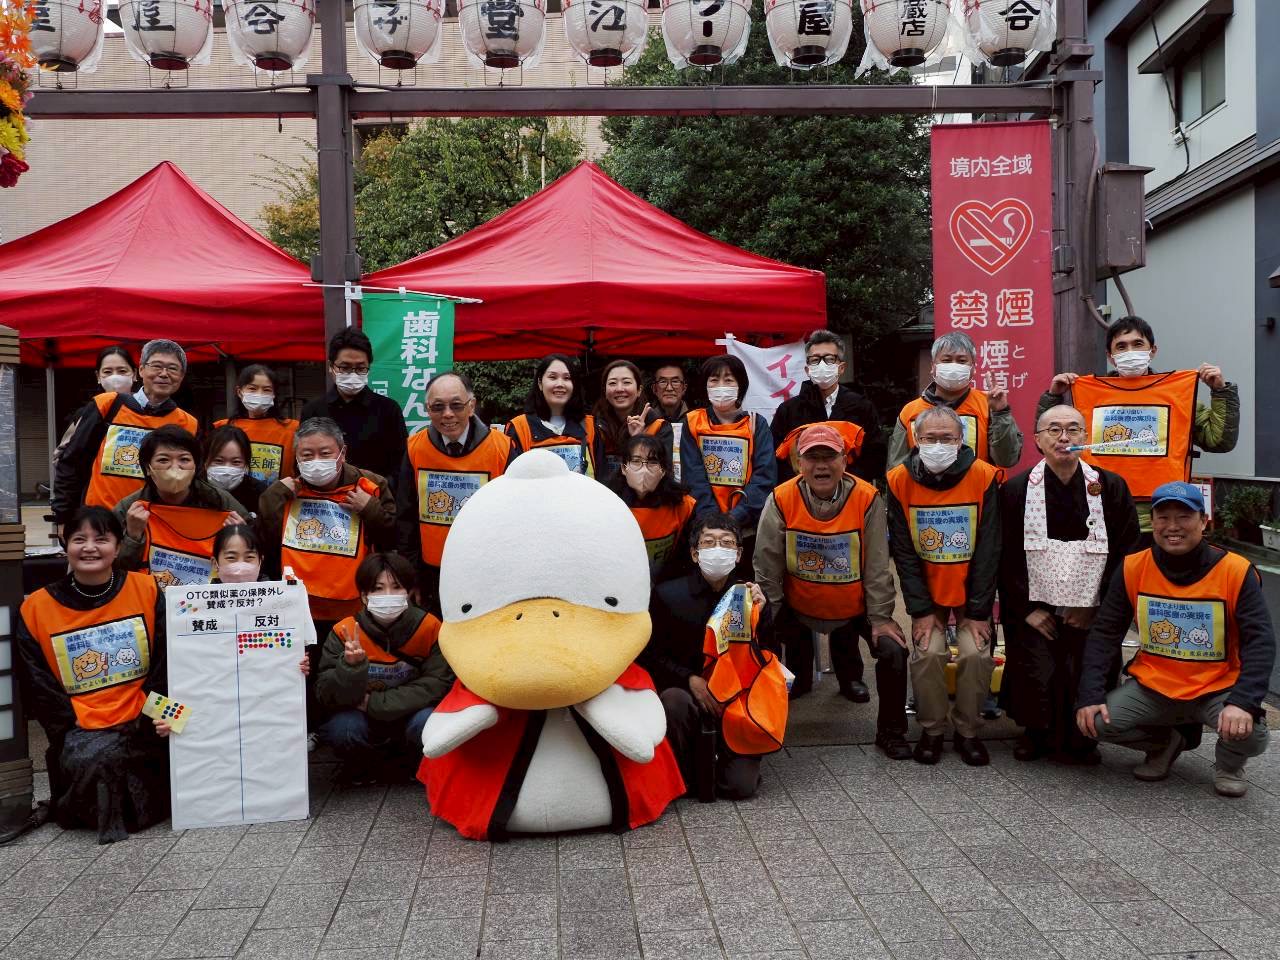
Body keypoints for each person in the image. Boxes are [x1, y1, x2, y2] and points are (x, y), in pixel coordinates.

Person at [1076, 482, 1275, 798]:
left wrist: (1243, 702)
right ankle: (1165, 743)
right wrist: (1090, 695)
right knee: (1093, 722)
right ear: (1153, 522)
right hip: (1154, 687)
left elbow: (1260, 642)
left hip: (1217, 687)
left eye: (1183, 517)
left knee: (1250, 734)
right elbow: (1105, 634)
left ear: (1203, 521)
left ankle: (1229, 764)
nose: (1172, 526)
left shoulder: (1236, 571)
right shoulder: (1133, 566)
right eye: (1163, 517)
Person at [754, 425, 912, 759]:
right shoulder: (780, 498)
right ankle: (759, 729)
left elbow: (877, 566)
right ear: (799, 463)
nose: (821, 465)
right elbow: (767, 564)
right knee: (757, 643)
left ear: (844, 460)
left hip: (854, 607)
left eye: (829, 456)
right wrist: (767, 619)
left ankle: (892, 732)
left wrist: (881, 618)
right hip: (797, 603)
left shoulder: (867, 497)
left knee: (893, 649)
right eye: (812, 457)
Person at [17, 506, 169, 843]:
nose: (89, 548)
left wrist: (151, 716)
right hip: (78, 726)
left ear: (118, 546)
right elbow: (38, 685)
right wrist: (69, 729)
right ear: (64, 544)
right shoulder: (37, 607)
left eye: (101, 539)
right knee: (95, 756)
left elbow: (165, 663)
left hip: (143, 717)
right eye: (79, 539)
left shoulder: (146, 589)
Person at [1000, 405, 1141, 764]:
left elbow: (1126, 553)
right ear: (1037, 440)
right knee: (1036, 663)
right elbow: (1004, 555)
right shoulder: (1016, 490)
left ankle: (1083, 735)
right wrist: (1027, 609)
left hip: (1092, 603)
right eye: (1054, 430)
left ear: (1085, 437)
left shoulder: (1110, 486)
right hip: (1035, 603)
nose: (1064, 437)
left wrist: (1096, 605)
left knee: (1084, 663)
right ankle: (1035, 732)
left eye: (1073, 429)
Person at [1037, 315, 1239, 535]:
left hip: (1159, 518)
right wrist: (1053, 397)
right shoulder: (1089, 396)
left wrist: (1220, 392)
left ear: (1152, 351)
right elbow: (1051, 446)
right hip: (1099, 513)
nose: (1130, 352)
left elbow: (1219, 442)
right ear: (1110, 356)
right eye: (1121, 346)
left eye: (1138, 344)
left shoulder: (1177, 396)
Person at [886, 406, 1001, 766]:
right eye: (930, 438)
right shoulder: (898, 480)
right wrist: (920, 611)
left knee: (975, 653)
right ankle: (932, 729)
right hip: (928, 593)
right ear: (916, 440)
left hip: (972, 593)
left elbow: (989, 548)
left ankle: (968, 730)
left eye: (947, 438)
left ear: (961, 439)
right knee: (928, 652)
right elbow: (903, 553)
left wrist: (979, 612)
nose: (938, 445)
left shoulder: (984, 476)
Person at [641, 513, 774, 799]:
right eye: (709, 542)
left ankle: (722, 761)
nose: (718, 549)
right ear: (694, 553)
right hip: (688, 694)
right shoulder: (668, 595)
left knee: (740, 787)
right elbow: (650, 654)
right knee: (673, 701)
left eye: (726, 543)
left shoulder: (748, 596)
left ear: (738, 554)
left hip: (736, 699)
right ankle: (685, 771)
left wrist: (762, 614)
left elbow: (766, 653)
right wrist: (689, 679)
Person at [316, 553, 454, 784]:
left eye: (396, 587)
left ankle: (414, 764)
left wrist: (376, 703)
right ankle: (364, 767)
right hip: (363, 718)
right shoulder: (344, 632)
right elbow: (325, 693)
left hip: (409, 713)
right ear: (364, 596)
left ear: (408, 592)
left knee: (428, 722)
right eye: (378, 589)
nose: (388, 595)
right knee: (344, 728)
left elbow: (438, 683)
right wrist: (349, 668)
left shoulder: (429, 627)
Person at [257, 417, 397, 634]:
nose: (316, 461)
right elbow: (266, 540)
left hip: (353, 605)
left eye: (325, 453)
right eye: (307, 455)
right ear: (296, 456)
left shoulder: (370, 485)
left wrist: (370, 508)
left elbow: (392, 537)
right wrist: (273, 497)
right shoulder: (287, 490)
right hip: (299, 605)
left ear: (343, 452)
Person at [396, 371, 514, 616]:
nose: (447, 414)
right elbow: (406, 516)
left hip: (487, 571)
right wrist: (411, 575)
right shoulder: (415, 448)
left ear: (471, 406)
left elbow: (515, 515)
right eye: (438, 407)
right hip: (432, 574)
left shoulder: (502, 448)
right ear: (427, 410)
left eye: (456, 405)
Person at [51, 339, 198, 529]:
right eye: (156, 366)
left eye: (172, 368)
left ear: (181, 376)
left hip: (155, 525)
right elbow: (72, 462)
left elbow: (192, 481)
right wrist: (63, 517)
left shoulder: (187, 423)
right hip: (99, 522)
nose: (164, 374)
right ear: (141, 370)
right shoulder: (106, 405)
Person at [113, 425, 248, 587]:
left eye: (184, 459)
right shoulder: (130, 509)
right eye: (163, 460)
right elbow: (114, 571)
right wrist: (133, 537)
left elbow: (254, 560)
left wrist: (241, 537)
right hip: (149, 596)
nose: (175, 468)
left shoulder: (221, 503)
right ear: (148, 467)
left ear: (196, 466)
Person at [887, 332, 1023, 472]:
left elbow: (1007, 459)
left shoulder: (988, 405)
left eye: (962, 361)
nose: (954, 366)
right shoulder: (910, 412)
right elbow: (897, 469)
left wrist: (1000, 413)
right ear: (933, 367)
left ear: (973, 368)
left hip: (981, 485)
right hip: (922, 487)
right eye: (946, 360)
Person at [299, 328, 409, 491]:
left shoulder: (388, 410)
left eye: (360, 368)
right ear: (331, 366)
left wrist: (376, 491)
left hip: (375, 497)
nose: (353, 374)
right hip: (324, 498)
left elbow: (401, 465)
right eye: (345, 367)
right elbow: (303, 458)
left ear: (368, 367)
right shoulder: (313, 410)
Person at [681, 354, 777, 539]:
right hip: (705, 527)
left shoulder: (756, 424)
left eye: (728, 380)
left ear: (741, 385)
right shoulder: (693, 422)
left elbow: (765, 476)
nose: (721, 386)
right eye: (714, 380)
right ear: (705, 386)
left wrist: (736, 516)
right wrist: (711, 519)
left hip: (747, 527)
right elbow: (693, 476)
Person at [771, 330, 886, 482]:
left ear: (841, 367)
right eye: (815, 360)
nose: (822, 364)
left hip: (850, 490)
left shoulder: (861, 407)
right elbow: (776, 458)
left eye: (829, 359)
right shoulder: (788, 410)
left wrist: (846, 483)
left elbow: (876, 456)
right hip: (801, 492)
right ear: (807, 370)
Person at [607, 434, 696, 582]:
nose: (644, 469)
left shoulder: (683, 506)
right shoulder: (607, 503)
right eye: (636, 461)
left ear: (663, 470)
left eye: (652, 462)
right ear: (623, 468)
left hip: (665, 583)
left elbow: (685, 558)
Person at [505, 353, 605, 477]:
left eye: (567, 378)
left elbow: (603, 478)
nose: (560, 384)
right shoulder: (519, 428)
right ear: (540, 383)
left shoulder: (590, 426)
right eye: (553, 377)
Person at [51, 346, 137, 476]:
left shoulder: (147, 410)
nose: (115, 377)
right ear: (98, 376)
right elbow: (61, 457)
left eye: (122, 371)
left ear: (134, 374)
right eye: (107, 372)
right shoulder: (87, 414)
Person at [213, 364, 300, 485]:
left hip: (279, 496)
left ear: (274, 394)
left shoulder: (293, 428)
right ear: (239, 392)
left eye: (267, 390)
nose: (259, 394)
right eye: (252, 388)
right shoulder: (222, 427)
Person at [594, 359, 673, 476]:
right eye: (612, 383)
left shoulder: (659, 427)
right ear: (605, 391)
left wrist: (638, 440)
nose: (619, 389)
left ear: (639, 390)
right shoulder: (594, 427)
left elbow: (663, 475)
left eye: (626, 382)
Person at [203, 423, 267, 518]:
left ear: (246, 464)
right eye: (218, 461)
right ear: (205, 461)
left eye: (236, 462)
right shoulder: (194, 490)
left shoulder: (260, 493)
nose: (227, 469)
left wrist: (247, 525)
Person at [649, 361, 690, 483]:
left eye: (675, 381)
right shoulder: (646, 422)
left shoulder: (697, 421)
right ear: (654, 388)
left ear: (684, 388)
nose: (669, 388)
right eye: (663, 382)